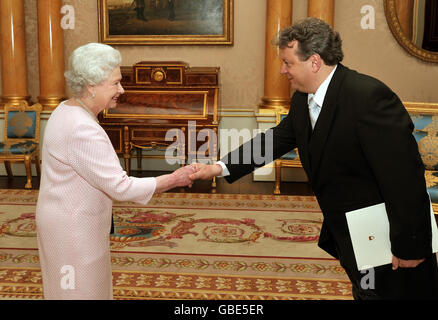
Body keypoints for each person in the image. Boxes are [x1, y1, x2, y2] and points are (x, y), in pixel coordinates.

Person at [190, 17, 438, 300]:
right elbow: (275, 139)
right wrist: (218, 167)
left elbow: (404, 178)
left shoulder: (368, 96)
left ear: (315, 62)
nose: (282, 70)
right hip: (352, 236)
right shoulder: (303, 99)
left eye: (288, 63)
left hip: (387, 239)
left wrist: (411, 247)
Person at [35, 43, 195, 300]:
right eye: (115, 83)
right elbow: (121, 187)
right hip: (73, 231)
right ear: (91, 85)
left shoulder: (67, 110)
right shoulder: (81, 128)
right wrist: (174, 178)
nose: (122, 89)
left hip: (68, 222)